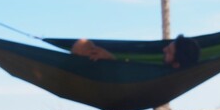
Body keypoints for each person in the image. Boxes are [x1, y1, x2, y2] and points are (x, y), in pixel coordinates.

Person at [71, 34, 200, 68]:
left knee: (83, 44)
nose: (163, 49)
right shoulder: (165, 72)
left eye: (169, 51)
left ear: (176, 64)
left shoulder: (161, 78)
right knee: (84, 44)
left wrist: (111, 60)